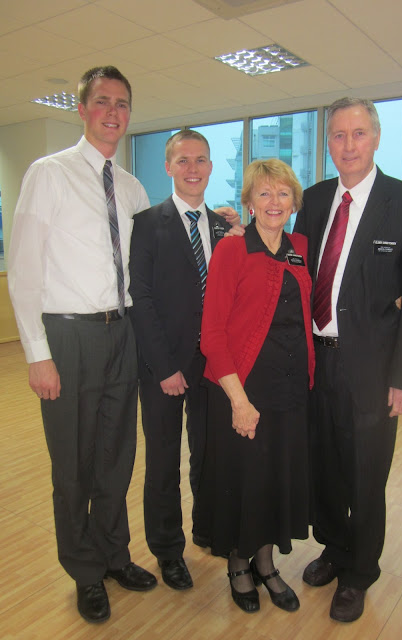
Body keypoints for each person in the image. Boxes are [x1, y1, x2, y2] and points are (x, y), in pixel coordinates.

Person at [7, 66, 157, 624]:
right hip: (68, 336)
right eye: (102, 101)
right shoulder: (49, 174)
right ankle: (84, 570)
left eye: (122, 103)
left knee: (116, 458)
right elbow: (24, 270)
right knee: (72, 464)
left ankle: (114, 555)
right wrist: (37, 353)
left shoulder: (134, 188)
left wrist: (219, 227)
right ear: (82, 109)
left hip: (123, 333)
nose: (112, 112)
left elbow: (154, 260)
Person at [294, 97, 402, 622]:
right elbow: (291, 265)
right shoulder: (314, 200)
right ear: (328, 143)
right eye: (338, 135)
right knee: (326, 467)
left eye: (358, 133)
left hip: (373, 370)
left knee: (365, 473)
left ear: (376, 137)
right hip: (317, 363)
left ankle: (359, 571)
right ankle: (334, 549)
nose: (348, 145)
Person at [193, 159, 315, 614]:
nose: (274, 202)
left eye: (283, 193)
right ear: (248, 203)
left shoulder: (300, 247)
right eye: (263, 193)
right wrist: (239, 401)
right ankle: (239, 564)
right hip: (242, 388)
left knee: (275, 479)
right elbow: (212, 334)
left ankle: (266, 562)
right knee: (244, 481)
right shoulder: (232, 250)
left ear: (294, 202)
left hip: (291, 388)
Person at [128, 129, 237, 592]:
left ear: (211, 167)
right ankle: (168, 550)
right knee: (164, 461)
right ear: (168, 167)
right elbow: (140, 297)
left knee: (209, 455)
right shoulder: (145, 223)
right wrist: (164, 366)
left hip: (212, 366)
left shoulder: (223, 227)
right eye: (183, 160)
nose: (193, 169)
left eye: (201, 160)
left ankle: (207, 529)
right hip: (164, 366)